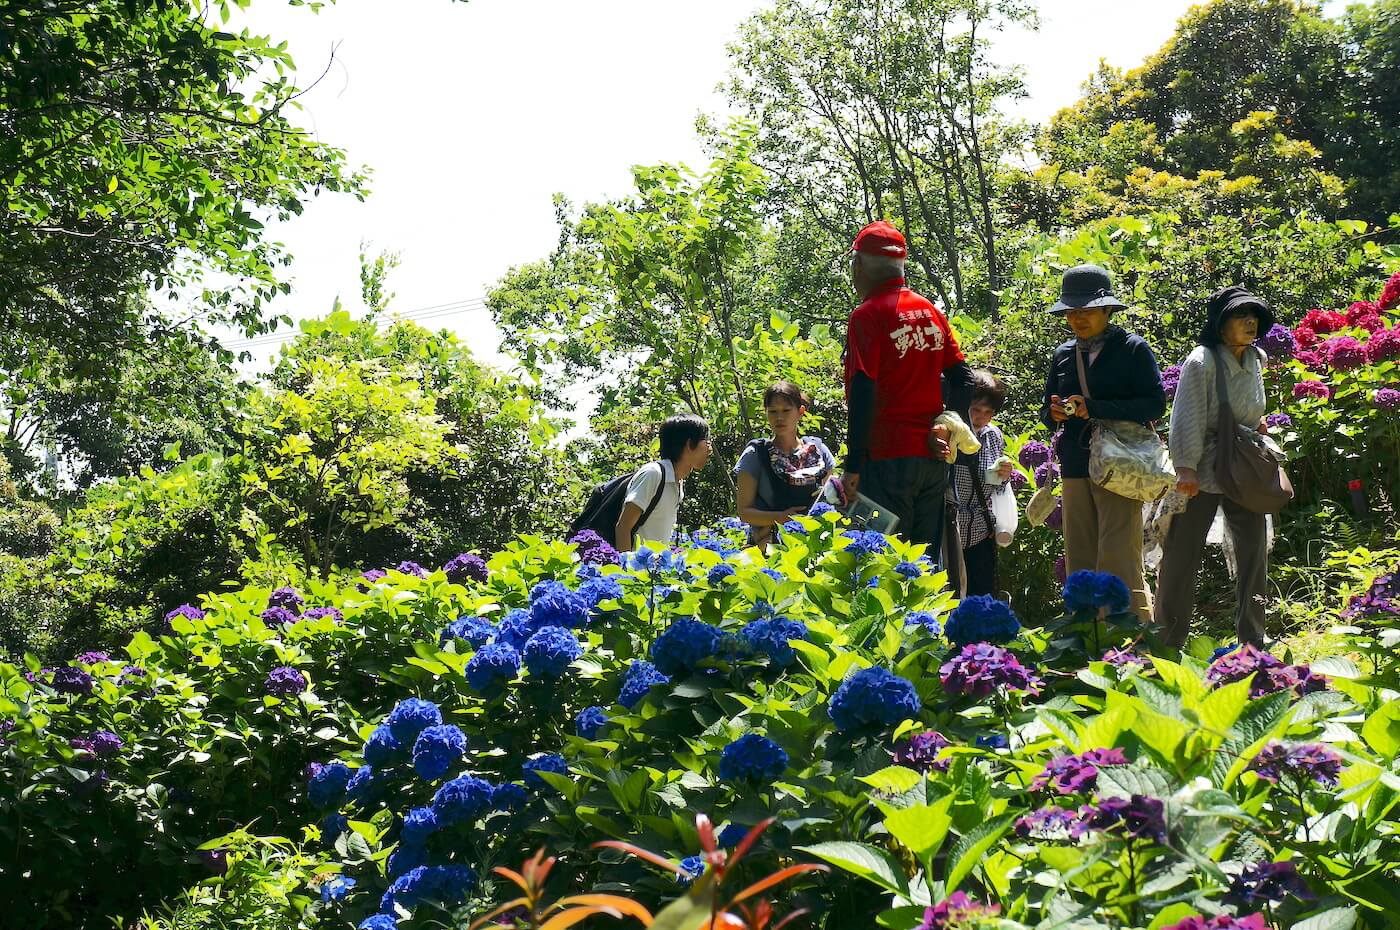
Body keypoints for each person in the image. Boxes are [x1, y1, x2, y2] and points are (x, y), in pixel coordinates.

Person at [839, 220, 975, 556]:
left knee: (880, 562)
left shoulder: (867, 316)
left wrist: (853, 463)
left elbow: (862, 390)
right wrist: (944, 426)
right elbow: (964, 378)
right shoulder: (929, 311)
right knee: (922, 564)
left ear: (859, 266)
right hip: (931, 461)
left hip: (885, 460)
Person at [1040, 264, 1166, 622]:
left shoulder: (1132, 349)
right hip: (1077, 465)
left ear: (1107, 310)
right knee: (1080, 558)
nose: (1078, 318)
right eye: (1072, 312)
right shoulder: (1064, 355)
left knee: (1119, 558)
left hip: (1120, 466)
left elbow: (1154, 403)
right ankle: (1086, 642)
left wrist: (1093, 408)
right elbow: (1047, 412)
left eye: (1087, 310)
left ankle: (1135, 641)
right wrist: (1058, 414)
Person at [1154, 286, 1275, 649]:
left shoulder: (1257, 358)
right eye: (1241, 316)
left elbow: (1250, 408)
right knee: (1182, 554)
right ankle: (1168, 640)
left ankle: (1253, 640)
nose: (1250, 322)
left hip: (1243, 468)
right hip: (1204, 470)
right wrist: (1185, 468)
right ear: (1221, 324)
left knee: (1253, 551)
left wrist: (1258, 425)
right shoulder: (1201, 361)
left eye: (1254, 316)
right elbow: (1186, 418)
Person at [734, 382, 836, 549]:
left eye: (786, 411)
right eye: (773, 412)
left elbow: (832, 498)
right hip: (769, 547)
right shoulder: (755, 455)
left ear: (800, 412)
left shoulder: (820, 451)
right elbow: (745, 512)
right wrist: (782, 517)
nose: (779, 418)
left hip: (817, 544)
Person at [951, 371, 1015, 596]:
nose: (981, 417)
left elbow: (997, 486)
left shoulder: (993, 435)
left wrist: (1004, 474)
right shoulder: (949, 432)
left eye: (989, 412)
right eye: (976, 410)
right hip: (952, 531)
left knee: (981, 597)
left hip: (981, 530)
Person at [615, 414, 712, 552]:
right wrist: (626, 571)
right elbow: (623, 527)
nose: (709, 447)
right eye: (706, 440)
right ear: (690, 444)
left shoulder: (676, 481)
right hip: (635, 569)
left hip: (653, 570)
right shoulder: (653, 474)